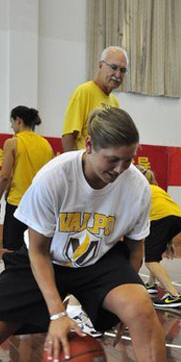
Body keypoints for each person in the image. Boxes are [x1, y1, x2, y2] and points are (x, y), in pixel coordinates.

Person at [0, 107, 178, 362]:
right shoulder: (55, 177)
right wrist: (58, 315)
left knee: (140, 307)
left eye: (129, 159)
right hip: (42, 262)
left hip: (99, 263)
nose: (120, 170)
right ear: (89, 145)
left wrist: (124, 310)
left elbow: (135, 252)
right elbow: (38, 252)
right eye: (112, 159)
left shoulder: (136, 187)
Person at [61, 46, 129, 334]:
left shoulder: (112, 102)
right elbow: (69, 135)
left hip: (102, 189)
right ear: (100, 65)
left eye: (122, 70)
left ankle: (89, 309)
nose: (116, 74)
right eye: (112, 67)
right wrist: (71, 176)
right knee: (70, 249)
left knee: (96, 247)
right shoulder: (85, 92)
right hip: (82, 185)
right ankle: (65, 308)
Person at [0, 106, 53, 250]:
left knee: (12, 249)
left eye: (12, 122)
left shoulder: (13, 142)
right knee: (35, 250)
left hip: (17, 204)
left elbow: (5, 176)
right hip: (39, 205)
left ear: (18, 120)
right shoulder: (46, 145)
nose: (11, 126)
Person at [138, 167, 181, 309]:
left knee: (151, 260)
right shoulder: (158, 190)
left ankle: (174, 295)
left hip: (161, 220)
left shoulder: (139, 189)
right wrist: (169, 239)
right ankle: (151, 284)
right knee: (154, 254)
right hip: (177, 219)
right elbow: (167, 210)